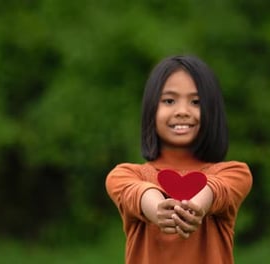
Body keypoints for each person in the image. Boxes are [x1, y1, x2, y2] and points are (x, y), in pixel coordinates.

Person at [105, 55, 252, 264]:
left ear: (212, 110)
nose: (182, 111)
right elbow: (135, 193)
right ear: (151, 109)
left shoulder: (235, 173)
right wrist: (158, 209)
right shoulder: (125, 175)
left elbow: (217, 189)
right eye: (169, 101)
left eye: (196, 102)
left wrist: (196, 208)